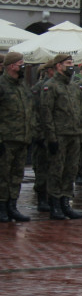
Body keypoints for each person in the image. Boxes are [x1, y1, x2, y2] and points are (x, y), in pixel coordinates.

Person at [39, 54, 82, 220]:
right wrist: (51, 137)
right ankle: (55, 204)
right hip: (59, 135)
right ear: (58, 66)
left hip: (74, 134)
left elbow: (81, 112)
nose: (71, 66)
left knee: (70, 170)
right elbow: (46, 113)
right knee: (56, 171)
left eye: (72, 63)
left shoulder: (73, 87)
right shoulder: (50, 86)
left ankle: (66, 202)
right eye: (68, 63)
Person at [0, 52, 35, 222]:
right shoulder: (1, 85)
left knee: (16, 175)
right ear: (11, 65)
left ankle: (12, 205)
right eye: (20, 63)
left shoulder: (22, 85)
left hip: (23, 138)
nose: (23, 66)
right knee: (3, 175)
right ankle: (1, 207)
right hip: (6, 139)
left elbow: (30, 111)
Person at [30, 58, 55, 212]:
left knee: (54, 168)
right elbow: (35, 113)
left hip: (55, 134)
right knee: (42, 168)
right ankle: (41, 198)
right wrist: (38, 134)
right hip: (42, 135)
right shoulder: (40, 87)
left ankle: (53, 197)